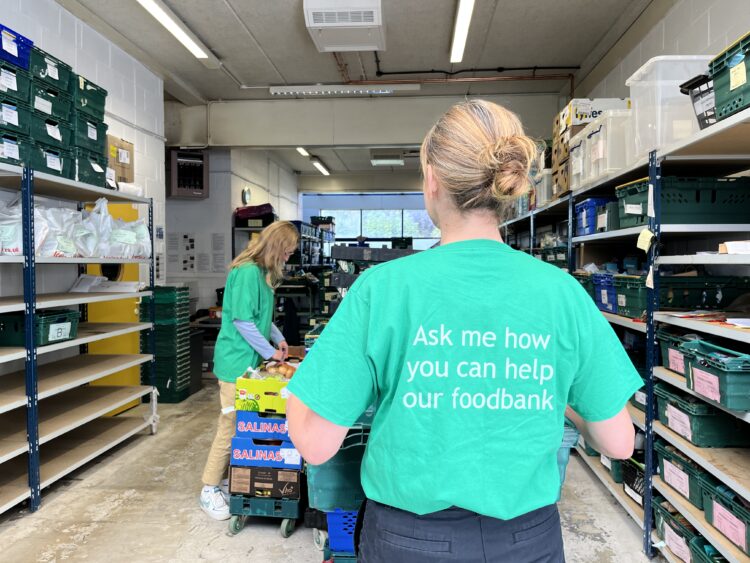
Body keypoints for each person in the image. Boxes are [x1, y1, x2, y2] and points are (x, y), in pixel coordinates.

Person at [286, 100, 641, 562]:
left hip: (410, 542)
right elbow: (618, 441)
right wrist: (556, 400)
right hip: (527, 542)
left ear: (432, 180)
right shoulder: (562, 292)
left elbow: (315, 442)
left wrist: (299, 391)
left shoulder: (384, 288)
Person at [199, 221, 299, 520]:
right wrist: (270, 352)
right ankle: (208, 488)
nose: (288, 258)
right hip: (235, 363)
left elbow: (260, 318)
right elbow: (243, 322)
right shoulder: (246, 273)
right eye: (287, 251)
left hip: (250, 361)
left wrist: (279, 339)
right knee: (230, 424)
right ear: (277, 246)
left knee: (247, 424)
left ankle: (233, 479)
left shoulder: (262, 274)